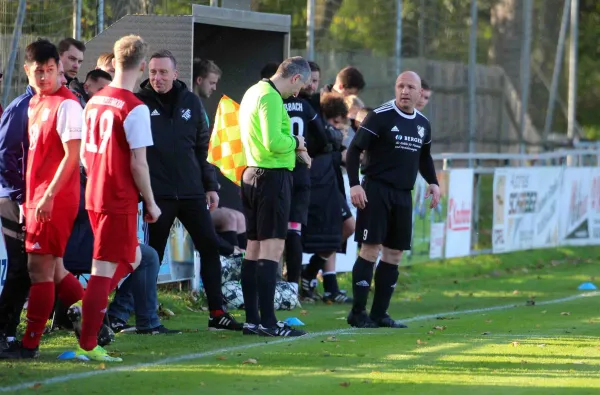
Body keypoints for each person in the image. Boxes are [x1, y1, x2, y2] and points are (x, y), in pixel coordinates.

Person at [136, 50, 241, 331]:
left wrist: (210, 185)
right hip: (158, 195)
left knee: (208, 247)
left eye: (163, 72)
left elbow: (202, 148)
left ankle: (217, 313)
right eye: (153, 72)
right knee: (152, 255)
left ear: (175, 73)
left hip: (193, 192)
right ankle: (144, 316)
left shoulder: (191, 102)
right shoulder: (139, 102)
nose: (157, 78)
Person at [77, 34, 161, 362]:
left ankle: (85, 309)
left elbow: (85, 154)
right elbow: (138, 163)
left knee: (133, 258)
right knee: (110, 266)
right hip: (118, 197)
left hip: (95, 192)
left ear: (113, 61)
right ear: (142, 65)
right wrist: (151, 202)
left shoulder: (95, 101)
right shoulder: (135, 107)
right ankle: (87, 338)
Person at [0, 39, 85, 359]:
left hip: (51, 200)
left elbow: (72, 156)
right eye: (40, 71)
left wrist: (45, 196)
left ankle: (29, 343)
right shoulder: (33, 103)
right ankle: (94, 317)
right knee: (51, 270)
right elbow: (9, 155)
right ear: (27, 71)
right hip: (33, 199)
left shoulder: (67, 105)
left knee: (38, 271)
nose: (46, 77)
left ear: (58, 70)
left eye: (51, 71)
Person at [345, 71, 441, 328]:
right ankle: (357, 312)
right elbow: (355, 150)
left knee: (395, 253)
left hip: (403, 194)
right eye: (401, 86)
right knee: (371, 249)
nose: (405, 91)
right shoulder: (380, 116)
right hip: (375, 190)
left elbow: (424, 157)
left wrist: (433, 182)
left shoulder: (422, 123)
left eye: (411, 87)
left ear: (421, 93)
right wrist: (354, 184)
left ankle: (379, 314)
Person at [238, 57, 311, 337]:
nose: (299, 92)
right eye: (301, 85)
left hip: (252, 173)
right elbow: (274, 141)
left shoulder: (253, 91)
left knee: (253, 249)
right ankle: (268, 322)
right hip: (271, 177)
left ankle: (252, 320)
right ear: (294, 78)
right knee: (271, 250)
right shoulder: (270, 97)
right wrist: (297, 143)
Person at [280, 64, 330, 293]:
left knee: (274, 232)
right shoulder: (307, 107)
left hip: (278, 171)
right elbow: (322, 138)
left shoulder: (276, 101)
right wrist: (308, 149)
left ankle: (273, 286)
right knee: (294, 231)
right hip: (300, 172)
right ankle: (292, 287)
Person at [301, 92, 353, 304]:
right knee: (344, 227)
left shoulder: (332, 132)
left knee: (345, 227)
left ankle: (315, 274)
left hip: (332, 184)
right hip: (317, 185)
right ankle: (309, 276)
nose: (335, 126)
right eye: (333, 122)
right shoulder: (313, 125)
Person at [192, 59, 246, 254]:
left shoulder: (199, 106)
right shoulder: (190, 106)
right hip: (192, 193)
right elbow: (196, 151)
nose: (215, 88)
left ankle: (242, 275)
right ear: (199, 80)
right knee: (230, 218)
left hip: (204, 185)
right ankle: (229, 269)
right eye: (212, 83)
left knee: (239, 217)